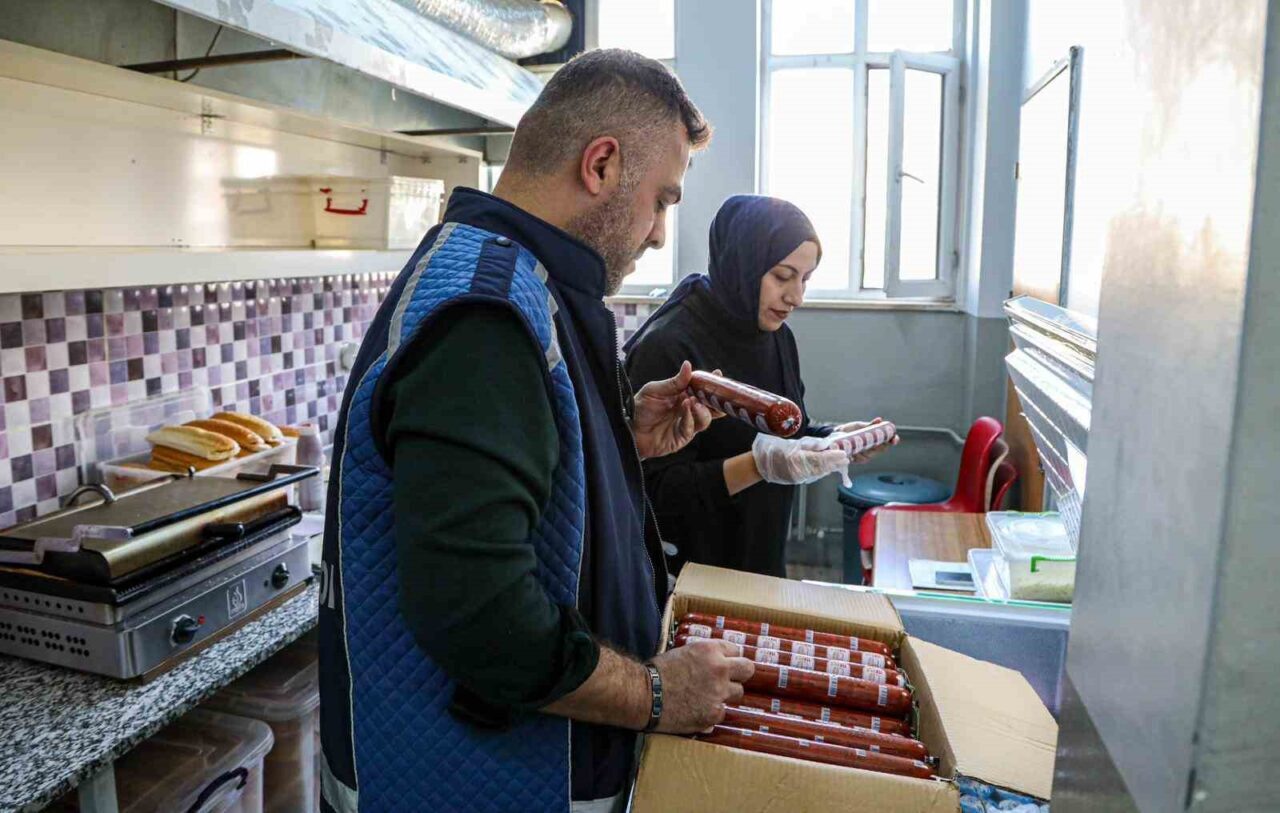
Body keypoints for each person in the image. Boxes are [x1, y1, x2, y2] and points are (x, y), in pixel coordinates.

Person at [317, 50, 755, 813]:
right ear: (601, 164)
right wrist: (658, 692)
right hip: (468, 787)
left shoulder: (523, 283)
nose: (659, 233)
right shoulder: (484, 317)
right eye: (662, 200)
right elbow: (482, 618)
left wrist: (621, 441)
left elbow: (523, 486)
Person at [624, 195, 894, 578]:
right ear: (743, 264)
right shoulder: (669, 345)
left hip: (760, 556)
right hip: (691, 572)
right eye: (783, 276)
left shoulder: (775, 335)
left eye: (805, 279)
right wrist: (759, 466)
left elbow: (787, 434)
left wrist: (832, 439)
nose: (796, 297)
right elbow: (654, 492)